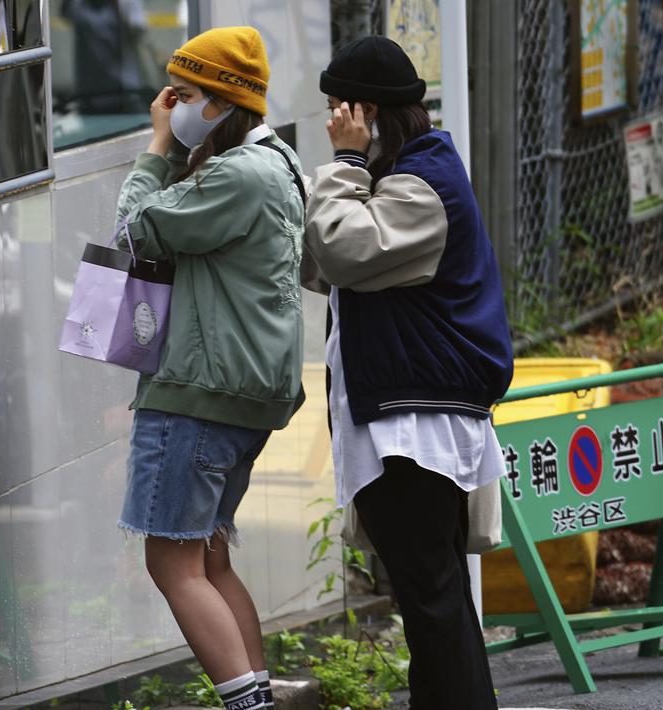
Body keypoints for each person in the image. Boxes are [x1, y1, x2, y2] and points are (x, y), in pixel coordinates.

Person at [303, 35, 514, 710]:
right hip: (407, 423)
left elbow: (338, 251)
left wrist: (340, 162)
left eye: (339, 111)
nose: (334, 124)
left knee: (431, 601)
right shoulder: (405, 177)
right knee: (434, 602)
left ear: (365, 115)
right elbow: (321, 264)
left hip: (414, 431)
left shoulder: (421, 187)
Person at [114, 27, 306, 710]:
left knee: (171, 560)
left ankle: (246, 705)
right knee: (209, 556)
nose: (172, 106)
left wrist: (157, 148)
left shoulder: (232, 175)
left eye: (186, 95)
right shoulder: (276, 162)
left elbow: (131, 230)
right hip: (239, 393)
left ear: (224, 104)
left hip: (198, 391)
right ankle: (259, 693)